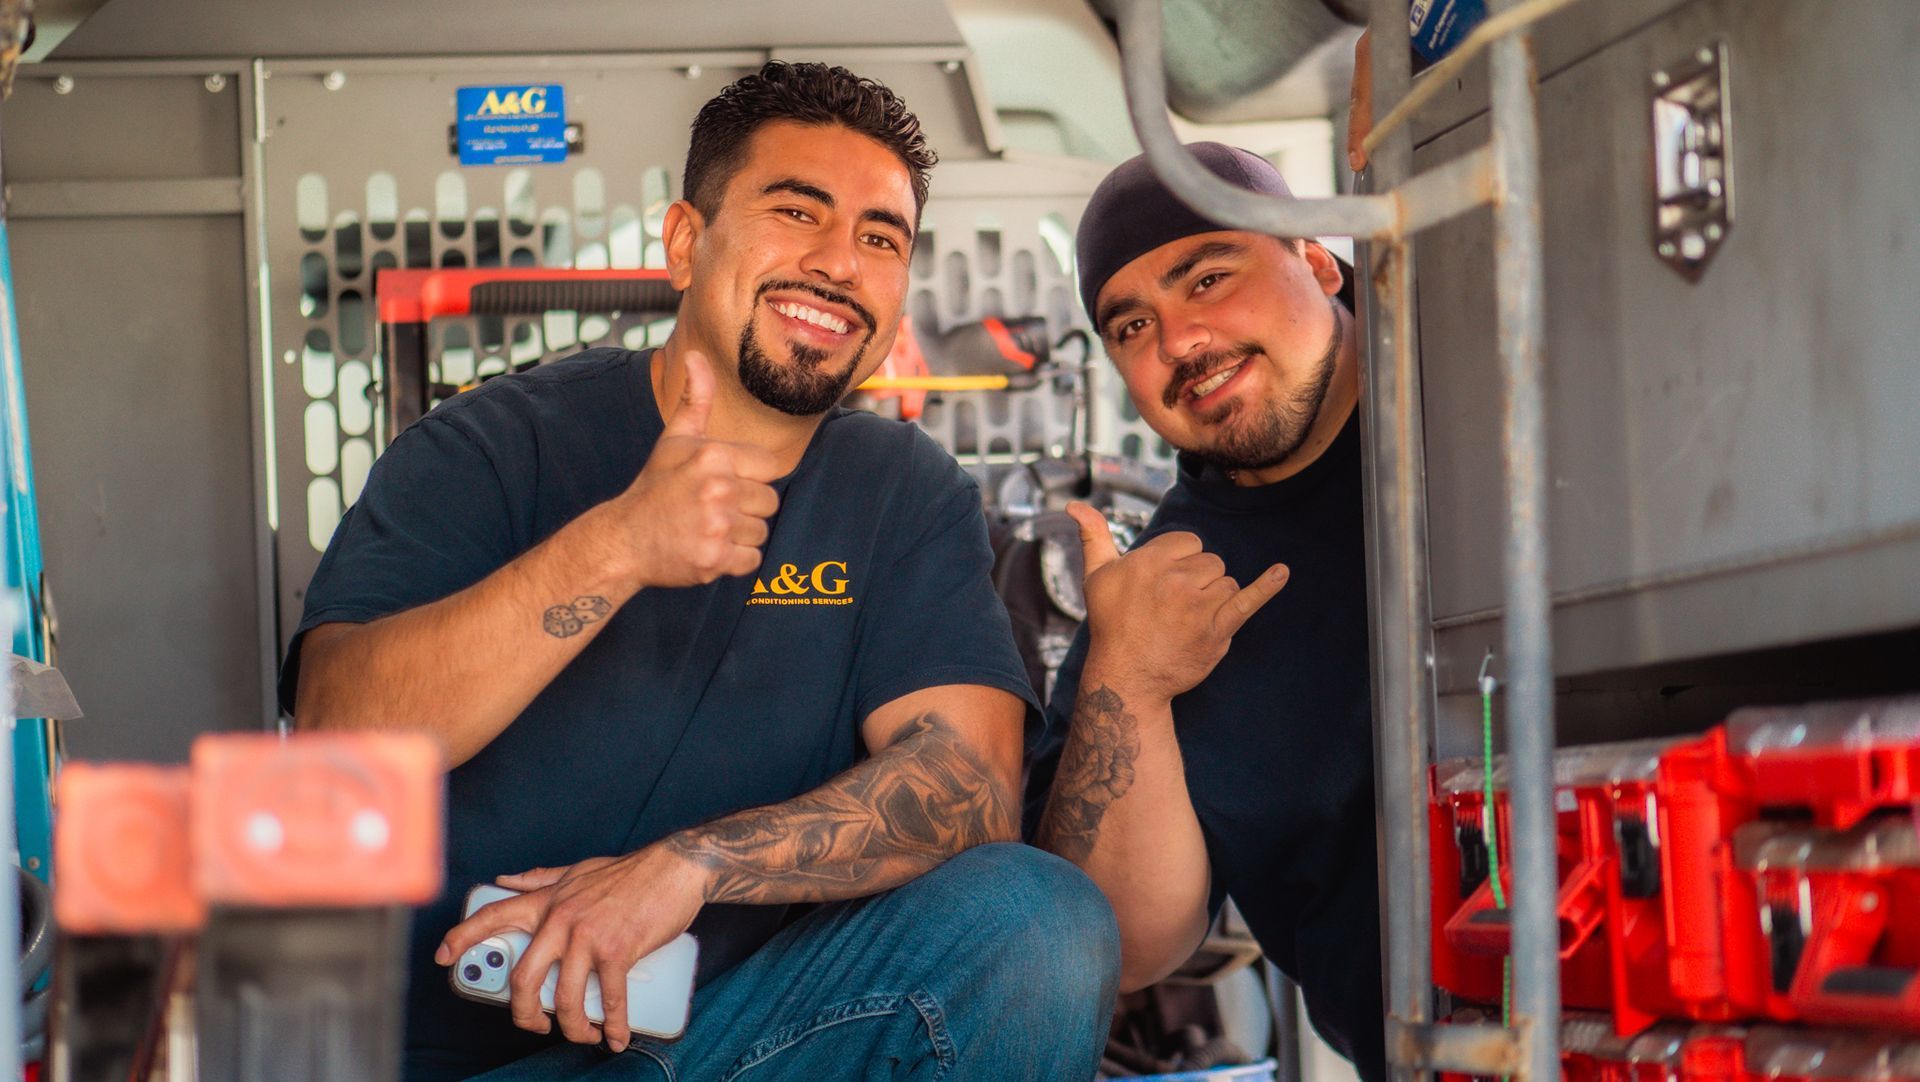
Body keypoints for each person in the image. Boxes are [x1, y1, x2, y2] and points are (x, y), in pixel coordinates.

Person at [283, 61, 1119, 1082]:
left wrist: (689, 868)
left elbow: (971, 786)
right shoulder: (493, 444)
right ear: (685, 242)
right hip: (460, 1054)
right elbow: (341, 740)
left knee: (1040, 919)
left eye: (880, 237)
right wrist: (621, 542)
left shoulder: (904, 488)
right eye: (797, 211)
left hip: (756, 1041)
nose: (839, 263)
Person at [1027, 142, 1385, 1082]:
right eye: (1132, 326)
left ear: (1315, 258)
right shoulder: (1162, 598)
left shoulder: (1479, 377)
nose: (1180, 342)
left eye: (1209, 278)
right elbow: (1126, 944)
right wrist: (1130, 683)